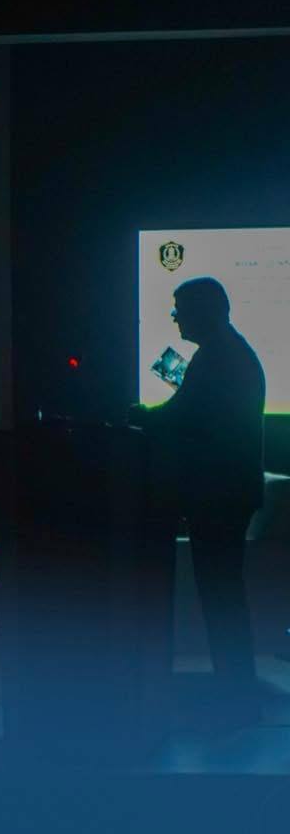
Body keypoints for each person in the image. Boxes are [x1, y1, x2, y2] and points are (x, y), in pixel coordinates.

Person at [131, 277, 265, 699]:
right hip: (228, 492)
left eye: (181, 308)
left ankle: (236, 696)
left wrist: (140, 414)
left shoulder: (216, 357)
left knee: (220, 595)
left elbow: (180, 415)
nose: (175, 317)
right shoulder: (227, 352)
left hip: (219, 494)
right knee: (223, 593)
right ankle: (236, 692)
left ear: (204, 309)